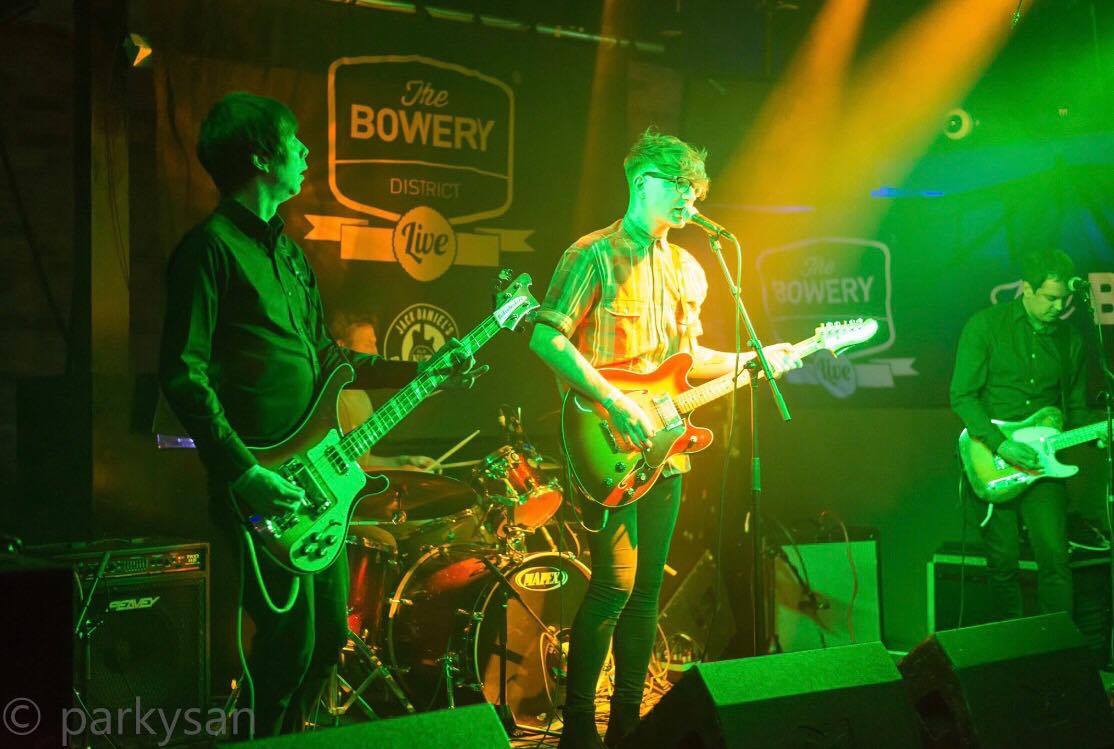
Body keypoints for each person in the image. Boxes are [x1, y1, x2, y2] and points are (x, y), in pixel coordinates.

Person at [158, 92, 476, 736]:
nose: (306, 153)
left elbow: (332, 359)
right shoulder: (209, 250)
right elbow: (183, 376)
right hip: (259, 484)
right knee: (285, 650)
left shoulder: (290, 254)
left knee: (329, 638)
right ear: (259, 157)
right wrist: (243, 472)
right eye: (294, 141)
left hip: (314, 483)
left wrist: (419, 371)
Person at [529, 128, 801, 748]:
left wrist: (756, 357)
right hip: (605, 438)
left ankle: (626, 723)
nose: (689, 197)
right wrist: (614, 399)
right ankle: (577, 729)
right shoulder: (591, 255)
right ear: (640, 181)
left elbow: (687, 357)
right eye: (677, 184)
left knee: (648, 587)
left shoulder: (690, 267)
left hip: (667, 449)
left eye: (696, 187)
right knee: (614, 585)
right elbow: (547, 338)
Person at [950, 249, 1089, 623]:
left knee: (1056, 559)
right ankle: (1010, 654)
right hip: (992, 458)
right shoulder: (985, 326)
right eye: (1050, 297)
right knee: (1003, 563)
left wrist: (1093, 434)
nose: (1059, 306)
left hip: (1042, 464)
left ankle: (1057, 651)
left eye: (1064, 299)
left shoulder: (1070, 341)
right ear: (1026, 288)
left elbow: (1074, 408)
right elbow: (962, 395)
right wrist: (1002, 444)